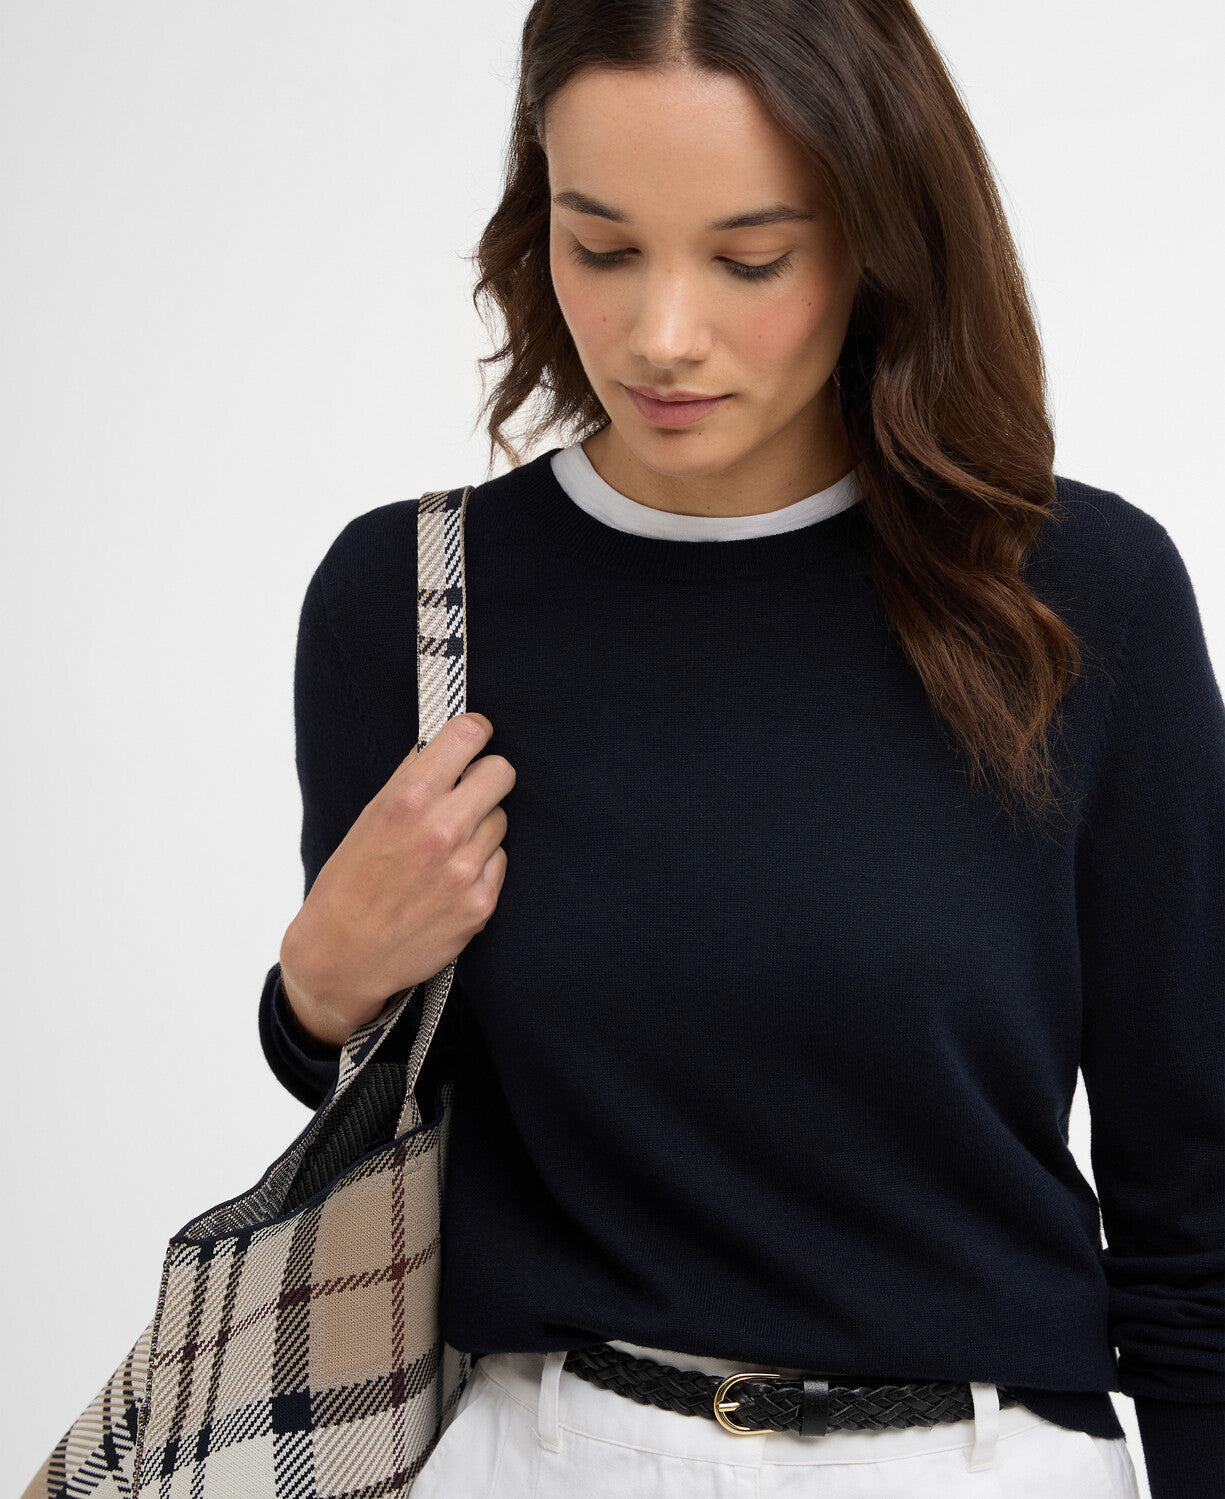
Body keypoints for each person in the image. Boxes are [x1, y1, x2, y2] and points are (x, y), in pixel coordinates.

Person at [258, 2, 1224, 1495]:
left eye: (751, 259)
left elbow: (1197, 1193)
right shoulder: (412, 603)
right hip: (550, 1454)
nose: (662, 334)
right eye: (601, 245)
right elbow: (385, 1102)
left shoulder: (1081, 598)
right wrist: (313, 992)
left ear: (882, 241)